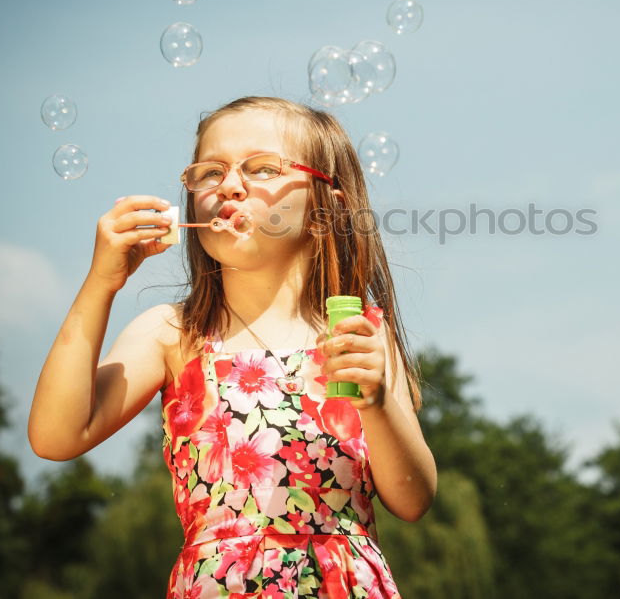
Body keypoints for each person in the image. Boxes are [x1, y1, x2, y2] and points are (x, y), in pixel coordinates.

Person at [29, 96, 436, 598]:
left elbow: (413, 500)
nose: (229, 186)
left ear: (323, 204)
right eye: (209, 172)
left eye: (262, 168)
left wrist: (374, 402)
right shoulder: (174, 333)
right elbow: (55, 436)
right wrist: (100, 283)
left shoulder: (358, 334)